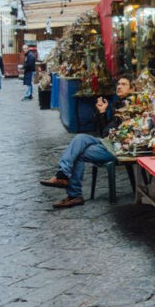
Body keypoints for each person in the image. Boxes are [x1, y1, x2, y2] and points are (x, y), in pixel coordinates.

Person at [41, 77, 133, 209]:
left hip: (117, 147)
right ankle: (63, 175)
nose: (119, 87)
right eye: (118, 84)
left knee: (78, 153)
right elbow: (104, 132)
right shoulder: (115, 104)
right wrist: (102, 113)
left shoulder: (132, 107)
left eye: (124, 84)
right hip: (106, 142)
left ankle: (73, 194)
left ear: (132, 88)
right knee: (79, 139)